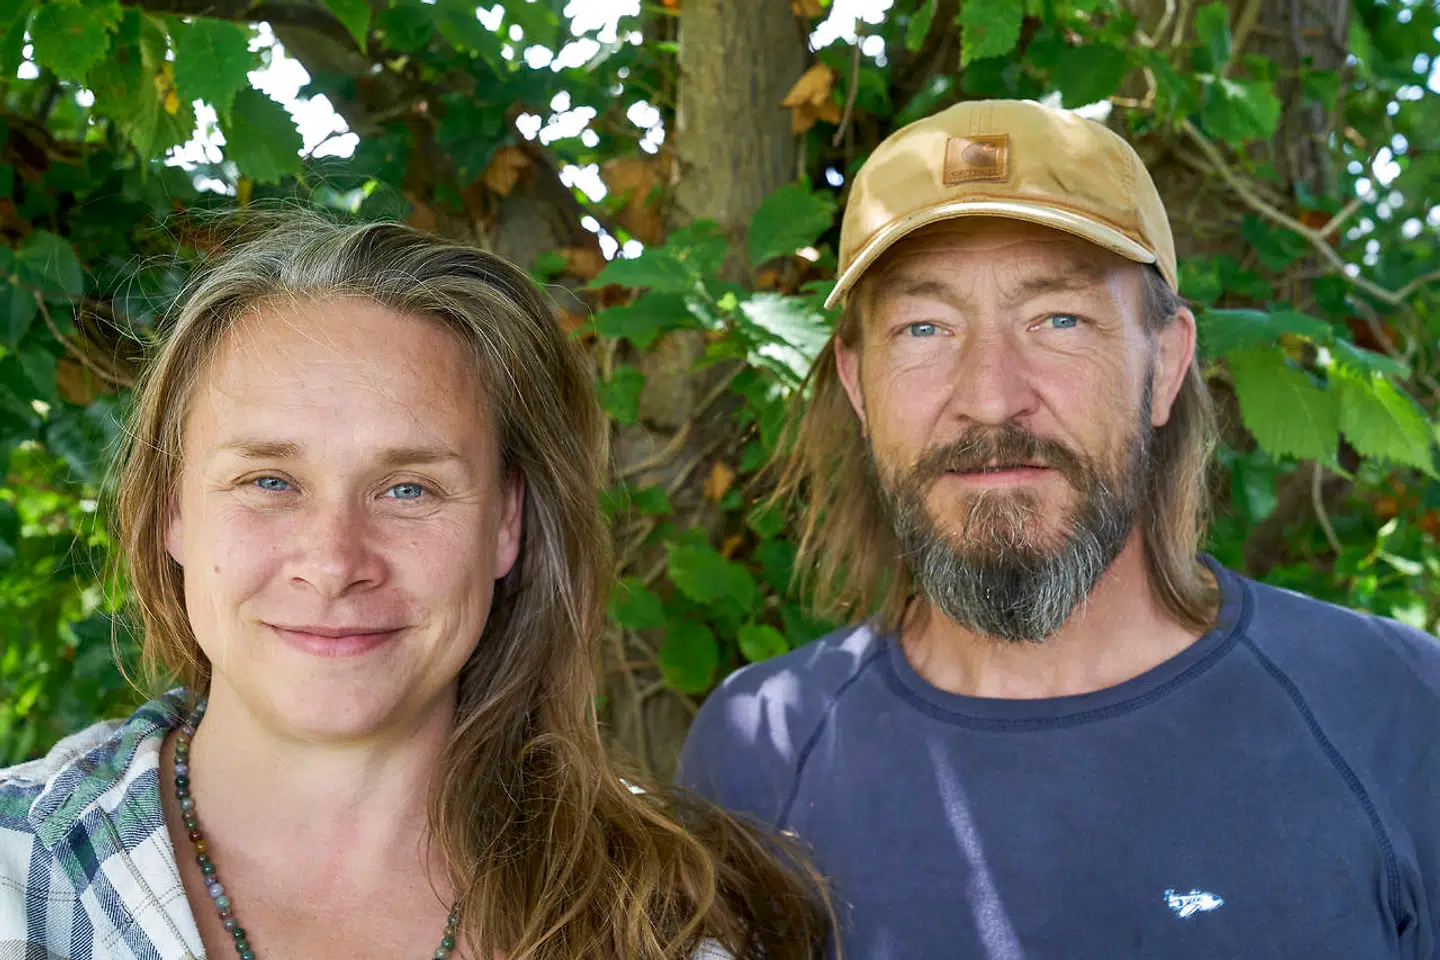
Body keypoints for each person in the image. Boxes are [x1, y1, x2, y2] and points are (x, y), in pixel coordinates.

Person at [677, 98, 1440, 959]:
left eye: (1058, 319)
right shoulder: (755, 756)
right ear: (858, 387)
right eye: (924, 328)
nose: (990, 396)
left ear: (1164, 364)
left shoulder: (1398, 713)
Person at [0, 215, 829, 959]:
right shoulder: (17, 876)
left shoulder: (665, 929)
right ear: (173, 511)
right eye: (268, 481)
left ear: (506, 523)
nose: (334, 563)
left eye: (409, 489)